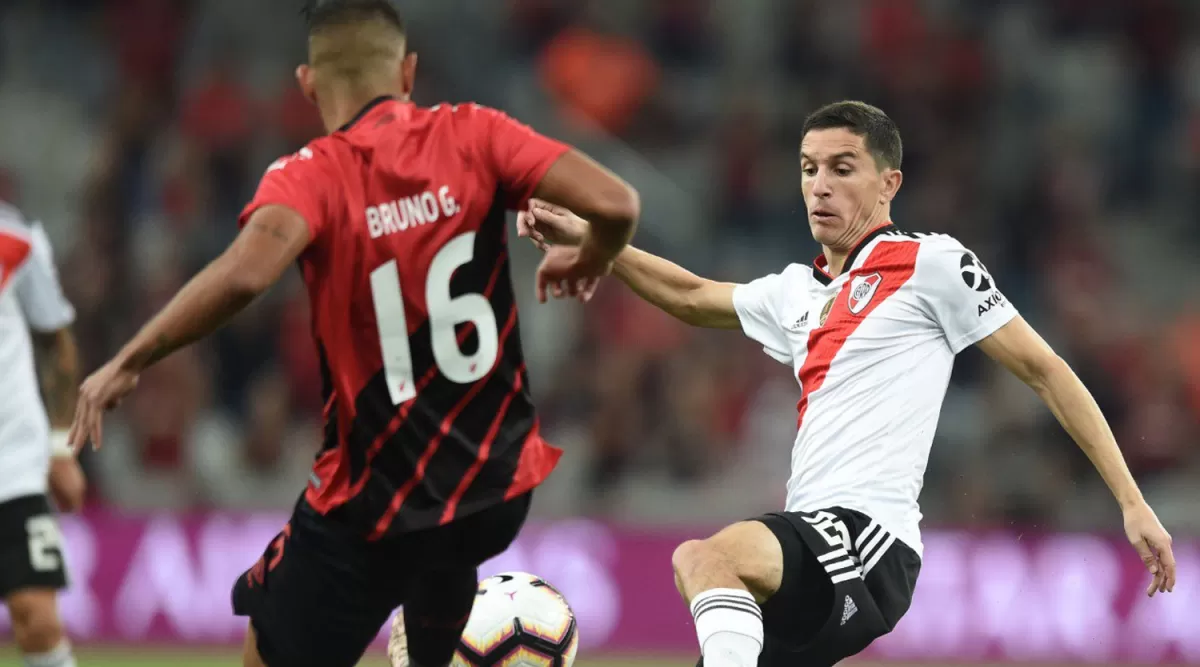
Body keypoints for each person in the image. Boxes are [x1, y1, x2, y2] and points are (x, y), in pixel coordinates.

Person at [66, 1, 639, 666]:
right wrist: (595, 252)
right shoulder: (476, 134)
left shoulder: (314, 172)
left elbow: (247, 275)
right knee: (440, 571)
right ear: (409, 70)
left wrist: (132, 358)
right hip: (493, 491)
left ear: (308, 83)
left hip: (378, 507)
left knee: (269, 639)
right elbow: (618, 203)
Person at [519, 100, 1177, 667]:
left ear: (888, 182)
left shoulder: (932, 263)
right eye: (808, 169)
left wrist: (1130, 499)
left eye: (841, 168)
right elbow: (689, 294)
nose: (819, 187)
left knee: (706, 558)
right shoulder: (797, 292)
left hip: (869, 536)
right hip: (817, 545)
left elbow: (1047, 371)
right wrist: (597, 242)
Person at [0, 200, 85, 667]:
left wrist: (58, 448)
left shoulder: (15, 236)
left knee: (37, 618)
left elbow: (56, 341)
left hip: (10, 462)